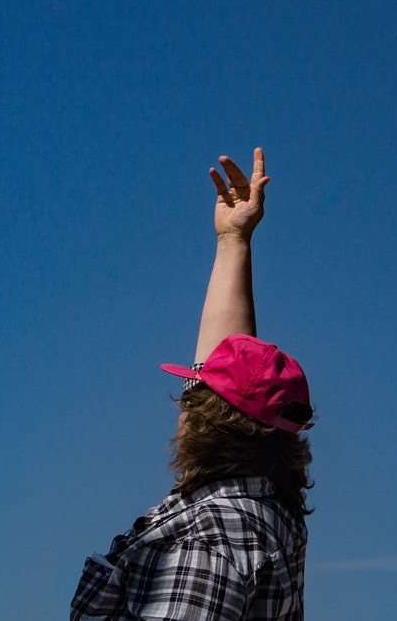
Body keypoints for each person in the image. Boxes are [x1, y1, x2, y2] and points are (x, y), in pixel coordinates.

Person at [70, 148, 315, 620]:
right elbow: (230, 372)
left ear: (211, 425)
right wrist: (233, 242)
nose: (185, 403)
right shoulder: (266, 510)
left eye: (194, 397)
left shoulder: (209, 540)